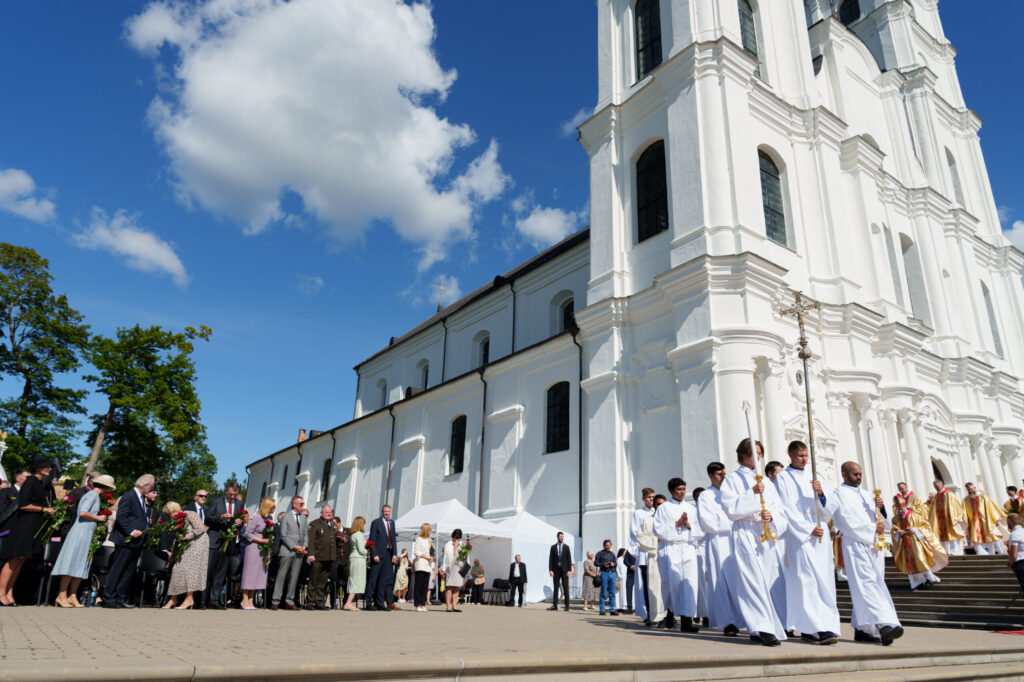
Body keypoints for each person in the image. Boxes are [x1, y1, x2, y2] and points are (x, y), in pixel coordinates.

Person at [825, 461, 903, 646]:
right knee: (867, 584)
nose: (859, 478)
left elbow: (885, 523)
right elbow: (845, 521)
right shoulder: (838, 495)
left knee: (873, 583)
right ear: (844, 475)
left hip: (874, 546)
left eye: (860, 474)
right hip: (856, 544)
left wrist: (881, 508)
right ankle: (885, 625)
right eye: (855, 475)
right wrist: (870, 528)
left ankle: (863, 629)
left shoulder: (868, 495)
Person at [720, 438, 788, 646]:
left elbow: (778, 506)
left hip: (765, 534)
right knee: (751, 580)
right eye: (753, 453)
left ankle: (760, 627)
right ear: (743, 454)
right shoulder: (733, 479)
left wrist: (772, 516)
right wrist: (752, 494)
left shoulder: (767, 481)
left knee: (766, 580)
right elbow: (730, 508)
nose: (757, 456)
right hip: (746, 532)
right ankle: (763, 628)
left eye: (759, 453)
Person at [773, 441, 841, 645]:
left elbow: (832, 506)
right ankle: (812, 627)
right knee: (807, 580)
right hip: (802, 535)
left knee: (825, 580)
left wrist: (821, 493)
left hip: (820, 533)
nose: (804, 459)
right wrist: (807, 528)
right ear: (791, 455)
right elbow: (786, 508)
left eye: (806, 455)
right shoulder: (783, 478)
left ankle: (827, 624)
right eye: (800, 455)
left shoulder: (816, 476)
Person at [51, 474, 116, 607]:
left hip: (86, 532)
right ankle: (62, 595)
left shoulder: (94, 495)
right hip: (81, 531)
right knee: (72, 561)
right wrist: (98, 518)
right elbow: (83, 512)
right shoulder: (92, 495)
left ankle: (72, 595)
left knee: (81, 563)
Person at [0, 459, 55, 605]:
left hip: (32, 526)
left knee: (21, 560)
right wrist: (45, 509)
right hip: (23, 526)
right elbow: (23, 504)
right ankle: (1, 593)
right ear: (38, 468)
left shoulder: (39, 483)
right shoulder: (30, 481)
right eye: (47, 466)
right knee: (14, 559)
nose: (49, 469)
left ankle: (9, 594)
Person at [653, 477, 703, 632]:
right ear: (671, 491)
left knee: (689, 583)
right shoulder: (664, 508)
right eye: (679, 489)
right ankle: (670, 614)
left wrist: (688, 525)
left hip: (687, 548)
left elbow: (700, 530)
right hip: (670, 548)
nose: (682, 492)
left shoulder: (692, 509)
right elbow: (658, 530)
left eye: (684, 489)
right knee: (671, 583)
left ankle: (687, 620)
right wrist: (676, 523)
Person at [697, 462, 741, 637]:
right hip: (718, 542)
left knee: (738, 580)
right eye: (719, 474)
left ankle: (741, 618)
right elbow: (707, 522)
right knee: (721, 581)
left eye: (724, 473)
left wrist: (731, 518)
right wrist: (730, 520)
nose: (723, 477)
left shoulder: (730, 493)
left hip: (735, 540)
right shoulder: (706, 496)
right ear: (710, 475)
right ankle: (727, 621)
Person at [101, 474, 156, 609]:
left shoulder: (140, 498)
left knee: (129, 571)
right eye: (151, 487)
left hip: (137, 542)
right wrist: (131, 531)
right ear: (144, 486)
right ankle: (108, 598)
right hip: (126, 540)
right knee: (118, 569)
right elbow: (122, 516)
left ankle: (120, 598)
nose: (151, 490)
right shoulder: (129, 496)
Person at [161, 498, 209, 610]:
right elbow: (176, 540)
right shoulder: (176, 522)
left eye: (170, 513)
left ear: (174, 511)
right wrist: (172, 559)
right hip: (186, 545)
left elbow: (200, 528)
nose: (170, 516)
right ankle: (173, 599)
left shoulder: (189, 514)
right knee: (177, 569)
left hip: (198, 544)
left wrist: (186, 536)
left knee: (190, 570)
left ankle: (189, 599)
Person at [891, 494, 946, 590]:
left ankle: (929, 579)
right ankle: (916, 583)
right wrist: (898, 532)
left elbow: (925, 526)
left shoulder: (915, 516)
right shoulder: (895, 519)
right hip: (904, 544)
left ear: (905, 506)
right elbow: (893, 530)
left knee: (920, 560)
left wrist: (915, 530)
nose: (899, 510)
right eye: (897, 508)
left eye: (901, 508)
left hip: (916, 542)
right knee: (909, 564)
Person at [204, 481, 244, 609]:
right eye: (231, 494)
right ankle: (202, 600)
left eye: (235, 495)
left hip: (229, 543)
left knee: (221, 574)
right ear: (226, 491)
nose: (232, 497)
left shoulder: (239, 504)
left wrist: (239, 522)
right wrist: (220, 517)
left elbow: (241, 521)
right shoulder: (216, 501)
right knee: (208, 571)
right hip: (215, 540)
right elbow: (208, 518)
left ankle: (214, 601)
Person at [271, 495, 308, 610]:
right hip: (287, 551)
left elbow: (306, 534)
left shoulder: (303, 517)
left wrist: (304, 546)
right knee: (281, 576)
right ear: (294, 504)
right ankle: (275, 601)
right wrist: (294, 546)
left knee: (294, 577)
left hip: (299, 552)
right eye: (301, 504)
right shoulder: (286, 517)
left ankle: (289, 601)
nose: (303, 506)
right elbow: (283, 535)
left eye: (303, 504)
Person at [636, 494, 668, 625]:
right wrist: (657, 540)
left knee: (668, 587)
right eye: (658, 504)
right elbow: (641, 537)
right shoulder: (648, 521)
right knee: (654, 587)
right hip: (654, 557)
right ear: (654, 505)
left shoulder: (670, 520)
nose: (661, 507)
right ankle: (655, 616)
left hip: (668, 556)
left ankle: (669, 617)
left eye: (663, 504)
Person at [239, 497, 275, 609]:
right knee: (249, 574)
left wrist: (268, 545)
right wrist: (261, 540)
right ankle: (244, 600)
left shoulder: (270, 518)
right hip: (253, 548)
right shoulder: (255, 517)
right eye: (273, 506)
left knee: (259, 574)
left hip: (264, 549)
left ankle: (251, 600)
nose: (274, 508)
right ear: (267, 506)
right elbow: (247, 534)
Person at [628, 487, 655, 623]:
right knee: (646, 584)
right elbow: (635, 532)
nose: (652, 499)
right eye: (649, 497)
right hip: (644, 551)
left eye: (653, 497)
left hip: (657, 550)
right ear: (644, 499)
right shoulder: (638, 513)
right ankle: (647, 612)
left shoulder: (658, 510)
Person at [305, 504, 337, 610]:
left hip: (329, 557)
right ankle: (310, 602)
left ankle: (319, 602)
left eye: (330, 512)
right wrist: (310, 554)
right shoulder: (315, 524)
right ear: (321, 513)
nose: (329, 514)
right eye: (326, 512)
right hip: (317, 557)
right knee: (313, 580)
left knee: (323, 581)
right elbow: (311, 540)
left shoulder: (333, 525)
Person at [366, 504, 398, 611]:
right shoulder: (376, 522)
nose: (387, 513)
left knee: (383, 580)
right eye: (385, 511)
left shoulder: (392, 523)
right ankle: (368, 603)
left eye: (388, 511)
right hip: (378, 555)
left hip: (388, 555)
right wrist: (373, 554)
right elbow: (370, 540)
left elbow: (393, 539)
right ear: (382, 511)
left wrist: (394, 554)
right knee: (373, 579)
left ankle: (380, 603)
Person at [963, 483, 1008, 555]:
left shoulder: (983, 497)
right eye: (968, 490)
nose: (970, 491)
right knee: (976, 538)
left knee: (992, 536)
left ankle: (999, 552)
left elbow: (991, 508)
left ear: (975, 488)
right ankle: (981, 553)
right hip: (974, 523)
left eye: (971, 489)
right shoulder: (966, 500)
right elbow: (964, 511)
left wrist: (994, 519)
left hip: (986, 522)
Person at [928, 480, 966, 556]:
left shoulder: (949, 494)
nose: (936, 488)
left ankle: (956, 552)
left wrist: (955, 517)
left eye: (937, 486)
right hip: (939, 520)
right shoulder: (936, 496)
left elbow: (955, 506)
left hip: (949, 519)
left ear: (941, 485)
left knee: (952, 534)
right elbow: (932, 509)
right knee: (942, 536)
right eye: (935, 486)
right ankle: (946, 551)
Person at [343, 516, 367, 611]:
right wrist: (369, 550)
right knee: (357, 581)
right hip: (359, 559)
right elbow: (362, 550)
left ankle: (348, 602)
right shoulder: (359, 535)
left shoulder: (352, 535)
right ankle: (348, 603)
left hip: (353, 558)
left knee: (352, 580)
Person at [442, 528, 466, 612]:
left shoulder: (462, 544)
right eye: (456, 536)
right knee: (449, 586)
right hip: (451, 567)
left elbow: (464, 557)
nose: (457, 539)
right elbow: (447, 556)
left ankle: (454, 606)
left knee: (456, 587)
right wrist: (455, 547)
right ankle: (448, 606)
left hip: (459, 567)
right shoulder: (448, 544)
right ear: (453, 536)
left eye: (459, 537)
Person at [548, 531, 573, 611]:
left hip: (565, 570)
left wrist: (569, 570)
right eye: (560, 537)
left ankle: (567, 606)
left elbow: (569, 559)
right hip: (556, 570)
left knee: (566, 588)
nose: (562, 538)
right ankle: (555, 605)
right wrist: (550, 570)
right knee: (556, 588)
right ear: (557, 537)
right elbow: (550, 559)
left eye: (563, 537)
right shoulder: (553, 547)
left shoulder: (566, 547)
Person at [412, 523, 434, 612]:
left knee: (425, 586)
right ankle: (417, 604)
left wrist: (431, 557)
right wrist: (427, 557)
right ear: (426, 530)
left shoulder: (429, 540)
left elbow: (431, 551)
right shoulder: (419, 539)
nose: (431, 531)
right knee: (419, 585)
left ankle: (423, 603)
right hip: (420, 564)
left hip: (428, 565)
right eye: (429, 529)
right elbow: (416, 552)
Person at [594, 539, 618, 616]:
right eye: (606, 545)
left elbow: (616, 564)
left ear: (611, 545)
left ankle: (612, 609)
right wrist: (603, 564)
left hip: (612, 574)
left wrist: (613, 564)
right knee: (603, 592)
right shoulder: (600, 554)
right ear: (604, 546)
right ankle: (602, 609)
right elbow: (595, 562)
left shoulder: (613, 554)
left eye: (609, 545)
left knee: (612, 592)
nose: (608, 546)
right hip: (604, 573)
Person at [331, 517, 351, 607]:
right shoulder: (332, 532)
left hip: (346, 560)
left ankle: (345, 603)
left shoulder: (348, 531)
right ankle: (333, 603)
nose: (333, 525)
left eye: (334, 523)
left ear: (339, 523)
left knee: (346, 583)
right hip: (336, 560)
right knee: (334, 583)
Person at [1007, 514, 1024, 593]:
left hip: (1021, 563)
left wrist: (1010, 563)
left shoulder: (1014, 534)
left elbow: (1013, 553)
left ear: (1009, 521)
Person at [621, 549, 635, 613]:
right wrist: (631, 566)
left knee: (641, 590)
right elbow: (625, 561)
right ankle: (630, 608)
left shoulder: (642, 548)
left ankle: (642, 607)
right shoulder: (629, 551)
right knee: (629, 590)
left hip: (640, 572)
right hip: (630, 573)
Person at [615, 547, 628, 613]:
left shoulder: (625, 560)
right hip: (620, 578)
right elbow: (617, 568)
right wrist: (620, 576)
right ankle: (619, 606)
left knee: (624, 593)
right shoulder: (618, 559)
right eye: (625, 552)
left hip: (625, 578)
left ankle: (624, 606)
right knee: (619, 592)